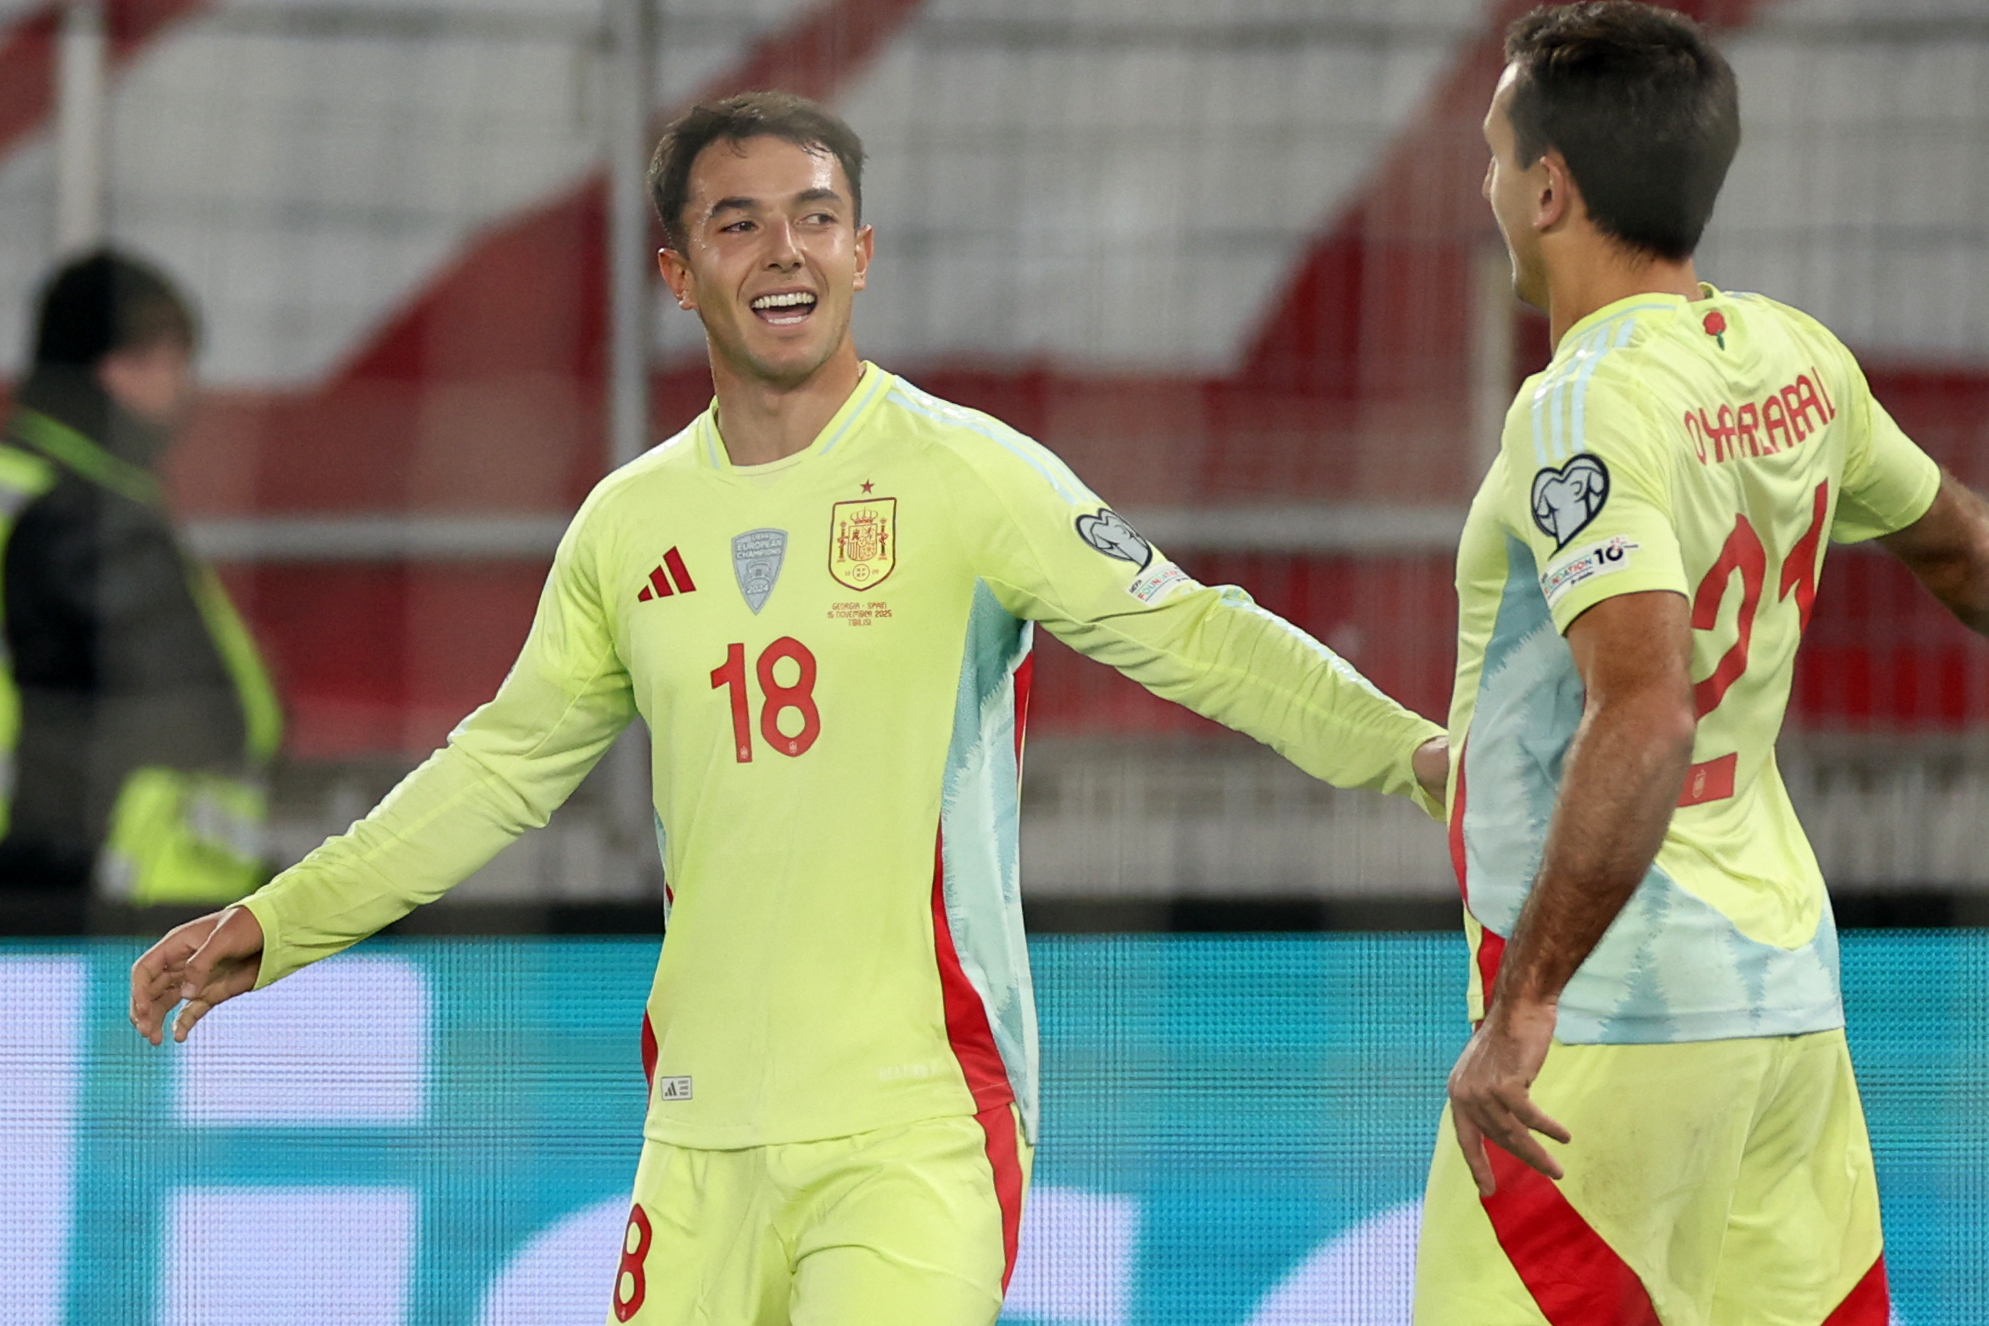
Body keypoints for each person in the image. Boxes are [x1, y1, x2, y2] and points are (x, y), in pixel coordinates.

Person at [131, 92, 1449, 1325]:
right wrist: (284, 918)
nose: (786, 249)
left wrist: (1414, 753)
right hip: (696, 1133)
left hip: (913, 1120)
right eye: (738, 221)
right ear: (676, 273)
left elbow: (1198, 637)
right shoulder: (627, 523)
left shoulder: (969, 475)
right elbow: (501, 768)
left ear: (861, 252)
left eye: (816, 216)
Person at [1419, 5, 1989, 1322]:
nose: (1486, 184)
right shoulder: (1795, 355)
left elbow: (1646, 711)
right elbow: (1962, 547)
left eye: (1496, 152)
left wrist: (1521, 1012)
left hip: (1614, 1024)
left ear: (1550, 188)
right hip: (1786, 1001)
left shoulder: (1582, 398)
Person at [0, 250, 280, 906]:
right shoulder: (84, 516)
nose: (184, 388)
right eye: (170, 361)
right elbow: (193, 707)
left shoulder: (34, 483)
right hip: (111, 888)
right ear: (116, 368)